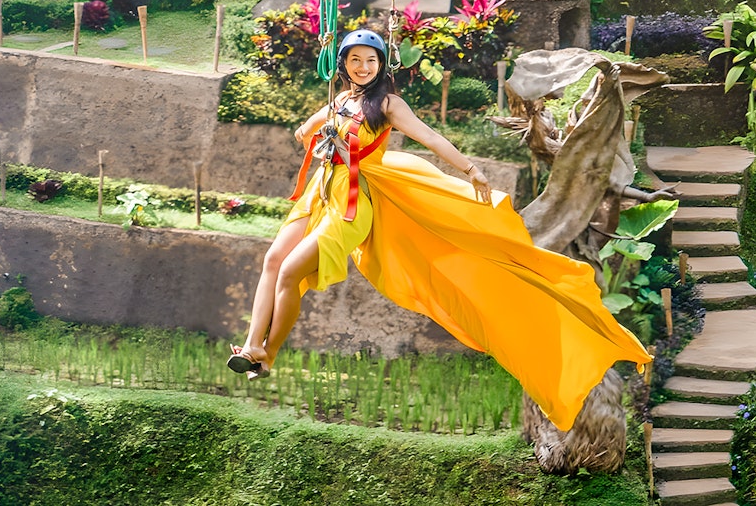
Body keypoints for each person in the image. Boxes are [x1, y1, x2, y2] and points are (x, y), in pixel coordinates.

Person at [227, 30, 651, 431]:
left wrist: (471, 169)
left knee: (290, 272)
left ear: (380, 65)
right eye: (354, 60)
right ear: (343, 65)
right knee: (272, 260)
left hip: (356, 205)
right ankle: (249, 345)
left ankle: (269, 353)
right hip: (321, 192)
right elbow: (307, 132)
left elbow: (428, 135)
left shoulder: (388, 104)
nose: (362, 67)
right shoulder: (340, 100)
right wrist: (314, 133)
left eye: (369, 61)